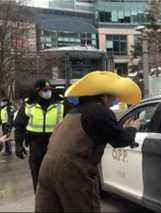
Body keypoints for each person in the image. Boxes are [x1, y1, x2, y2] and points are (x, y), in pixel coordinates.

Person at [35, 71, 142, 212]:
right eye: (112, 99)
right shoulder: (99, 111)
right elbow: (121, 140)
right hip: (73, 170)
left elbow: (98, 131)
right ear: (104, 96)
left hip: (47, 168)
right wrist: (132, 129)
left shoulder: (74, 111)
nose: (113, 103)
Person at [14, 79, 68, 193]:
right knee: (37, 175)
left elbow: (72, 121)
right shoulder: (29, 104)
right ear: (37, 91)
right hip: (35, 145)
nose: (48, 91)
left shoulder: (61, 102)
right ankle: (40, 200)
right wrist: (18, 144)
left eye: (49, 89)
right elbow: (20, 125)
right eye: (44, 89)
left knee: (57, 175)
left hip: (56, 145)